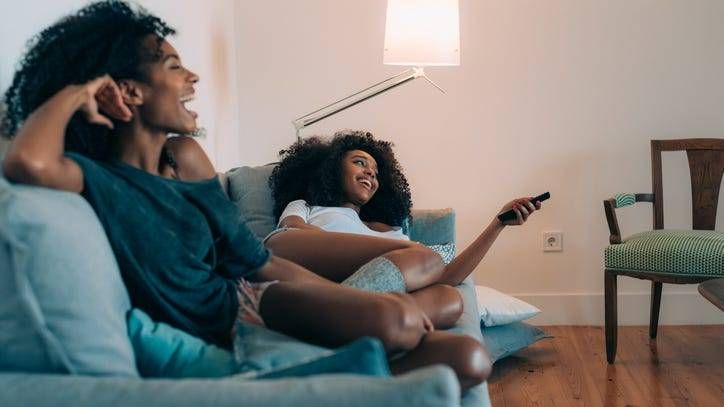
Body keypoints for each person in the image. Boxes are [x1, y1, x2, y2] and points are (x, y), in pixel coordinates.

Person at [1, 0, 489, 389]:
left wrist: (343, 303)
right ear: (128, 91)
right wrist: (79, 92)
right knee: (407, 326)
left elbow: (257, 262)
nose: (193, 77)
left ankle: (349, 358)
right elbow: (26, 162)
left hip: (253, 298)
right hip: (225, 327)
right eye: (174, 66)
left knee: (467, 356)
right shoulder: (96, 177)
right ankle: (344, 363)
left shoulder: (186, 156)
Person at [267, 131, 542, 330]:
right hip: (310, 263)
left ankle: (338, 316)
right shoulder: (307, 207)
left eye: (376, 173)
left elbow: (446, 277)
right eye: (360, 162)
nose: (370, 173)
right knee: (424, 257)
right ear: (332, 168)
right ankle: (349, 313)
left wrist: (497, 224)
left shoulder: (390, 232)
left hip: (365, 293)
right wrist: (400, 251)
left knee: (449, 299)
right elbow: (291, 234)